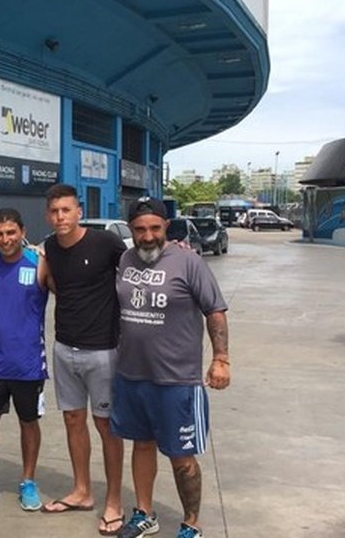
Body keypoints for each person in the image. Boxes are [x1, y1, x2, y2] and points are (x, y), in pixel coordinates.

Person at [112, 197, 230, 538]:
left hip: (177, 379)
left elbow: (215, 311)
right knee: (141, 445)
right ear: (131, 231)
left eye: (154, 228)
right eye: (139, 229)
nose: (147, 236)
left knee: (182, 457)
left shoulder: (188, 261)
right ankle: (144, 514)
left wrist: (221, 358)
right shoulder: (125, 258)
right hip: (132, 375)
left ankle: (191, 524)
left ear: (166, 227)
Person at [41, 183, 125, 535]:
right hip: (65, 348)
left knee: (106, 426)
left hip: (103, 350)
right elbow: (58, 287)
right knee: (73, 421)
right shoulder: (49, 247)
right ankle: (82, 491)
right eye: (55, 211)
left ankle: (114, 501)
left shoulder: (105, 243)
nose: (61, 217)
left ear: (78, 211)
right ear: (49, 215)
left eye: (66, 210)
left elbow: (136, 272)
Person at [0, 208, 49, 511]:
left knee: (29, 423)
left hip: (28, 364)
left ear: (22, 231)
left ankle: (28, 480)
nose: (5, 239)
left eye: (11, 232)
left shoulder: (40, 264)